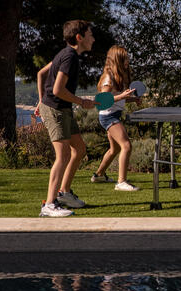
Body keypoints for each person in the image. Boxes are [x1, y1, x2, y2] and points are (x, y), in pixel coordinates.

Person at [36, 20, 98, 217]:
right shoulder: (69, 57)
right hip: (56, 110)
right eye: (90, 35)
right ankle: (49, 205)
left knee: (79, 149)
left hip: (61, 108)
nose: (93, 38)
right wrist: (81, 101)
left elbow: (41, 74)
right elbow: (57, 89)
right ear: (79, 38)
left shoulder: (65, 54)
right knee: (62, 156)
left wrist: (40, 101)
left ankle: (63, 193)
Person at [90, 45, 140, 191]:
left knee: (114, 149)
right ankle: (121, 182)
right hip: (108, 116)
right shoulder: (108, 77)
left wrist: (130, 100)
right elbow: (102, 101)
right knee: (126, 145)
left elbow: (116, 99)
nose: (128, 60)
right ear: (117, 59)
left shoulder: (118, 76)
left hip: (113, 115)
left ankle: (99, 175)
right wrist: (124, 96)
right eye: (125, 58)